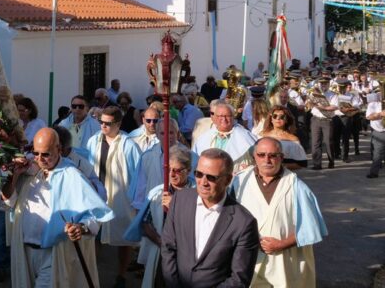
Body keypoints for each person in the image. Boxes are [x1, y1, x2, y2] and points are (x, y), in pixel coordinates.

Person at [2, 128, 114, 288]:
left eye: (45, 154)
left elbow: (95, 213)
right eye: (36, 153)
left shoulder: (73, 175)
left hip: (54, 255)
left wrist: (80, 227)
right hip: (24, 251)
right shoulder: (28, 171)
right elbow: (8, 202)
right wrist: (14, 176)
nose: (40, 159)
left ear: (59, 150)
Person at [231, 137, 327, 286]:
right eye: (261, 155)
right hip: (248, 260)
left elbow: (311, 228)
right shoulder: (238, 183)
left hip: (286, 261)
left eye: (273, 155)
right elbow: (227, 220)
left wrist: (282, 244)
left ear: (281, 157)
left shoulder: (297, 187)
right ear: (254, 156)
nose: (267, 160)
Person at [160, 148, 260, 287]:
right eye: (199, 174)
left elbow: (239, 279)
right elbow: (168, 247)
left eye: (212, 177)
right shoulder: (180, 200)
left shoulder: (243, 222)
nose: (203, 182)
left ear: (228, 179)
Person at [125, 146, 196, 288]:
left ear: (188, 171)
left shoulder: (197, 194)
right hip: (160, 250)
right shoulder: (157, 192)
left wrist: (175, 206)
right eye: (169, 169)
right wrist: (160, 241)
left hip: (188, 254)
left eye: (177, 170)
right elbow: (146, 222)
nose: (172, 174)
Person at [86, 107, 141, 287]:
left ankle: (121, 275)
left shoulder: (129, 145)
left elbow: (137, 175)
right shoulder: (94, 141)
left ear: (118, 124)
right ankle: (92, 273)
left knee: (123, 238)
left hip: (121, 197)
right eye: (101, 122)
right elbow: (87, 166)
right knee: (93, 234)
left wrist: (135, 201)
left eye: (108, 123)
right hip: (96, 195)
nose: (103, 126)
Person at [130, 118, 196, 212]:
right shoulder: (147, 157)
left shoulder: (191, 157)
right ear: (156, 135)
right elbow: (141, 186)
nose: (167, 137)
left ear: (177, 134)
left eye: (171, 133)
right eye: (162, 133)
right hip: (154, 208)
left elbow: (194, 185)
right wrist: (139, 209)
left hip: (182, 209)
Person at [193, 102, 256, 174]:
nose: (224, 119)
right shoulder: (204, 137)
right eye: (220, 116)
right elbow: (194, 161)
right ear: (215, 118)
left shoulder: (246, 137)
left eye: (227, 116)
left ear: (233, 117)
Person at [53, 125, 106, 200]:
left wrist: (88, 184)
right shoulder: (43, 160)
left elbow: (102, 193)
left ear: (61, 147)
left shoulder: (81, 162)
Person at [308, 77, 338, 170]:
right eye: (322, 84)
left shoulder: (333, 95)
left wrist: (323, 108)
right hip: (315, 119)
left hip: (327, 120)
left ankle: (331, 161)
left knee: (328, 142)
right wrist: (310, 102)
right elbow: (309, 104)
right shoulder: (314, 93)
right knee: (315, 143)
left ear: (329, 84)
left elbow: (334, 107)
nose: (323, 85)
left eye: (325, 83)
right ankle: (317, 164)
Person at [365, 92, 385, 178]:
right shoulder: (373, 104)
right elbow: (368, 117)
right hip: (379, 132)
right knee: (377, 154)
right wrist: (380, 114)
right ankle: (374, 172)